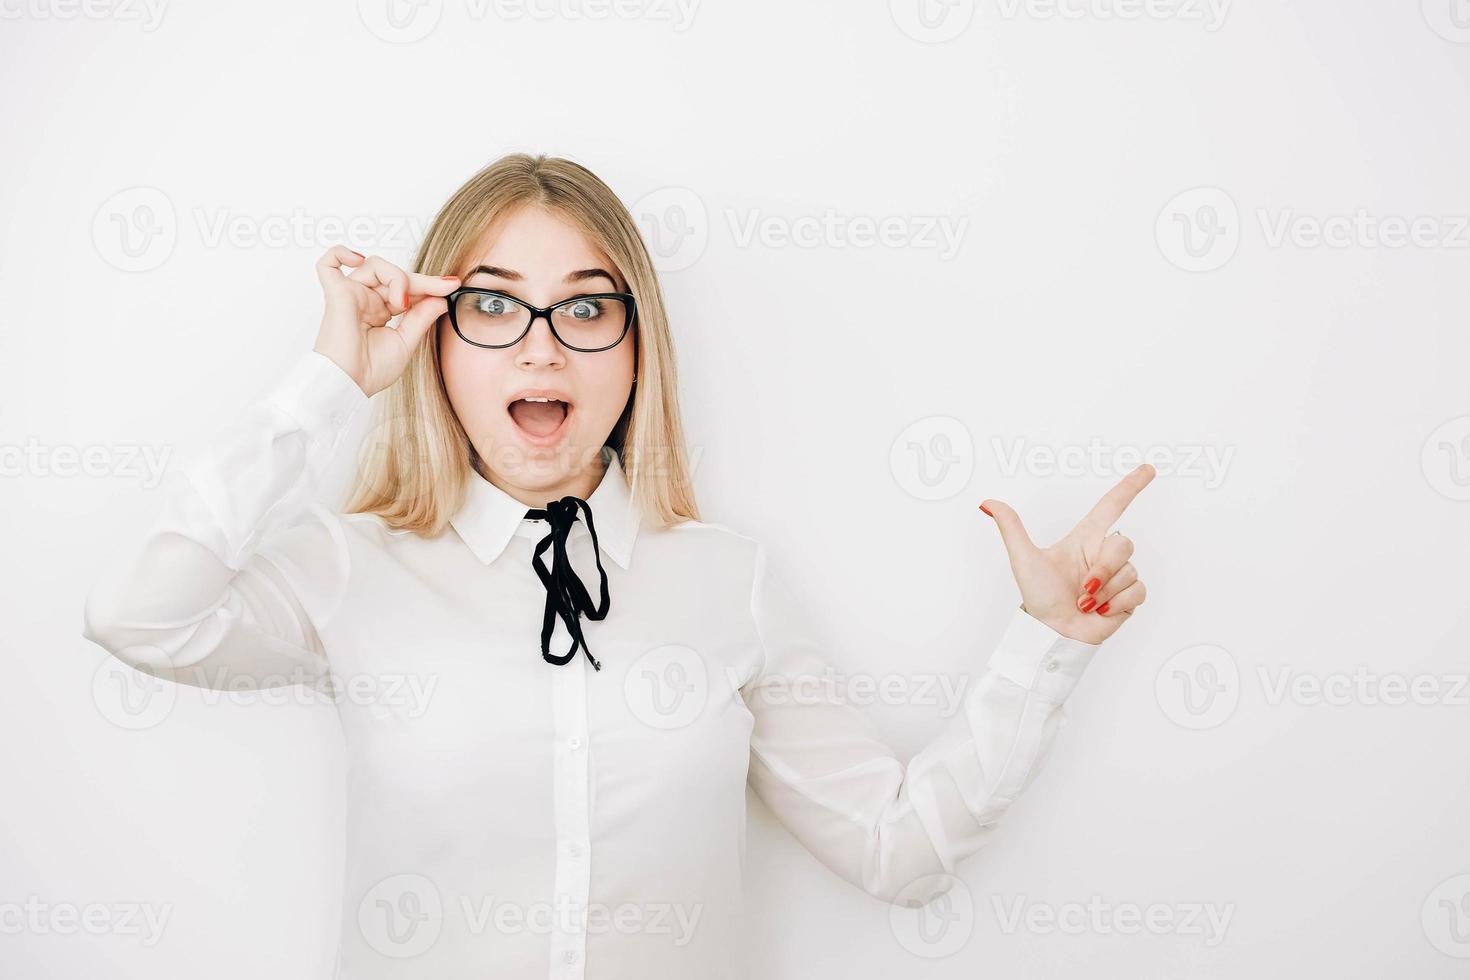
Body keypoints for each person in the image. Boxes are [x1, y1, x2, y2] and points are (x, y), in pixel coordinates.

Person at [82, 152, 1153, 979]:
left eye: (587, 307)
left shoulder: (726, 579)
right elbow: (138, 615)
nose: (542, 348)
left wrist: (1049, 640)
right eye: (494, 304)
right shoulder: (350, 565)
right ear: (437, 341)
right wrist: (331, 378)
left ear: (637, 350)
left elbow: (898, 848)